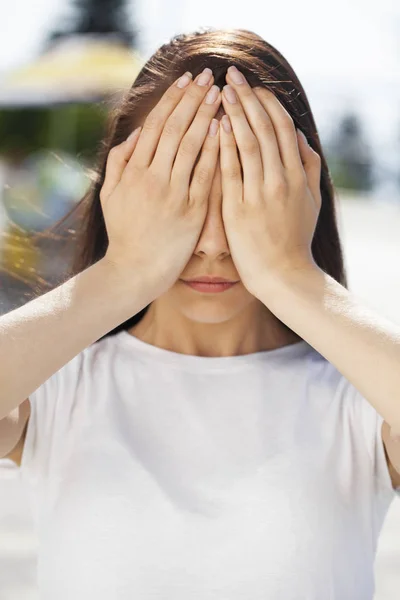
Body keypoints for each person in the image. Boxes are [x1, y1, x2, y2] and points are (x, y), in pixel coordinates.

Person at [1, 27, 400, 600]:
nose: (212, 242)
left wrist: (290, 275)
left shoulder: (358, 397)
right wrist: (125, 273)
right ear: (121, 194)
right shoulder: (57, 382)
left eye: (244, 194)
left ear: (302, 197)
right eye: (180, 193)